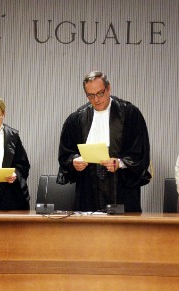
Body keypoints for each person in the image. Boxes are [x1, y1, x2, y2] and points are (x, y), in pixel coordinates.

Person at [58, 71, 151, 212]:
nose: (96, 99)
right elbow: (66, 153)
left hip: (120, 187)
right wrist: (74, 161)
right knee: (89, 232)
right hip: (88, 188)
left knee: (122, 233)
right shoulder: (77, 119)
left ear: (108, 88)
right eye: (91, 95)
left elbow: (140, 151)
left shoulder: (130, 114)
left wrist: (120, 163)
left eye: (100, 93)